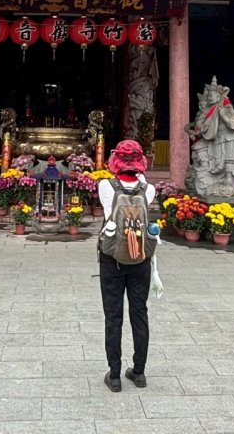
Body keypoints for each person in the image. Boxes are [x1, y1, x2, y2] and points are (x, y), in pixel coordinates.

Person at [98, 139, 161, 392]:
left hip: (111, 258)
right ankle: (139, 371)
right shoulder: (149, 189)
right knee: (139, 314)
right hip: (141, 259)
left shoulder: (106, 186)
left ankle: (114, 375)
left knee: (113, 316)